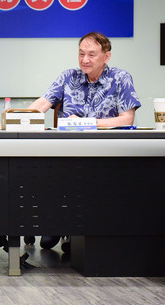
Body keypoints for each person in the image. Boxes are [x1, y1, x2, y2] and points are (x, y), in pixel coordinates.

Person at [29, 31, 141, 250]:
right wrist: (14, 119)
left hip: (105, 154)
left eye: (91, 54)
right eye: (81, 54)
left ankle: (80, 230)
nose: (85, 60)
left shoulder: (120, 78)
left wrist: (88, 123)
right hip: (66, 153)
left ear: (106, 56)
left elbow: (126, 118)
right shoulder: (68, 77)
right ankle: (59, 222)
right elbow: (41, 104)